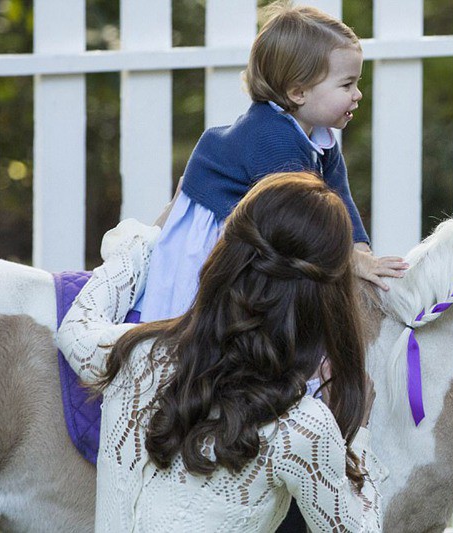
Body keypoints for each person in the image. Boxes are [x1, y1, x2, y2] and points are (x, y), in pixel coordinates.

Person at [56, 172, 386, 532]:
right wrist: (356, 440)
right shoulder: (302, 428)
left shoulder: (137, 356)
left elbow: (76, 327)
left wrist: (154, 237)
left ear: (224, 257)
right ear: (328, 300)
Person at [136, 0, 407, 325]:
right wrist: (351, 263)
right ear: (298, 92)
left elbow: (341, 199)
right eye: (347, 84)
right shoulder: (271, 136)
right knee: (208, 314)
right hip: (220, 231)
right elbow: (297, 221)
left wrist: (362, 255)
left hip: (264, 228)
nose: (357, 94)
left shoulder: (320, 137)